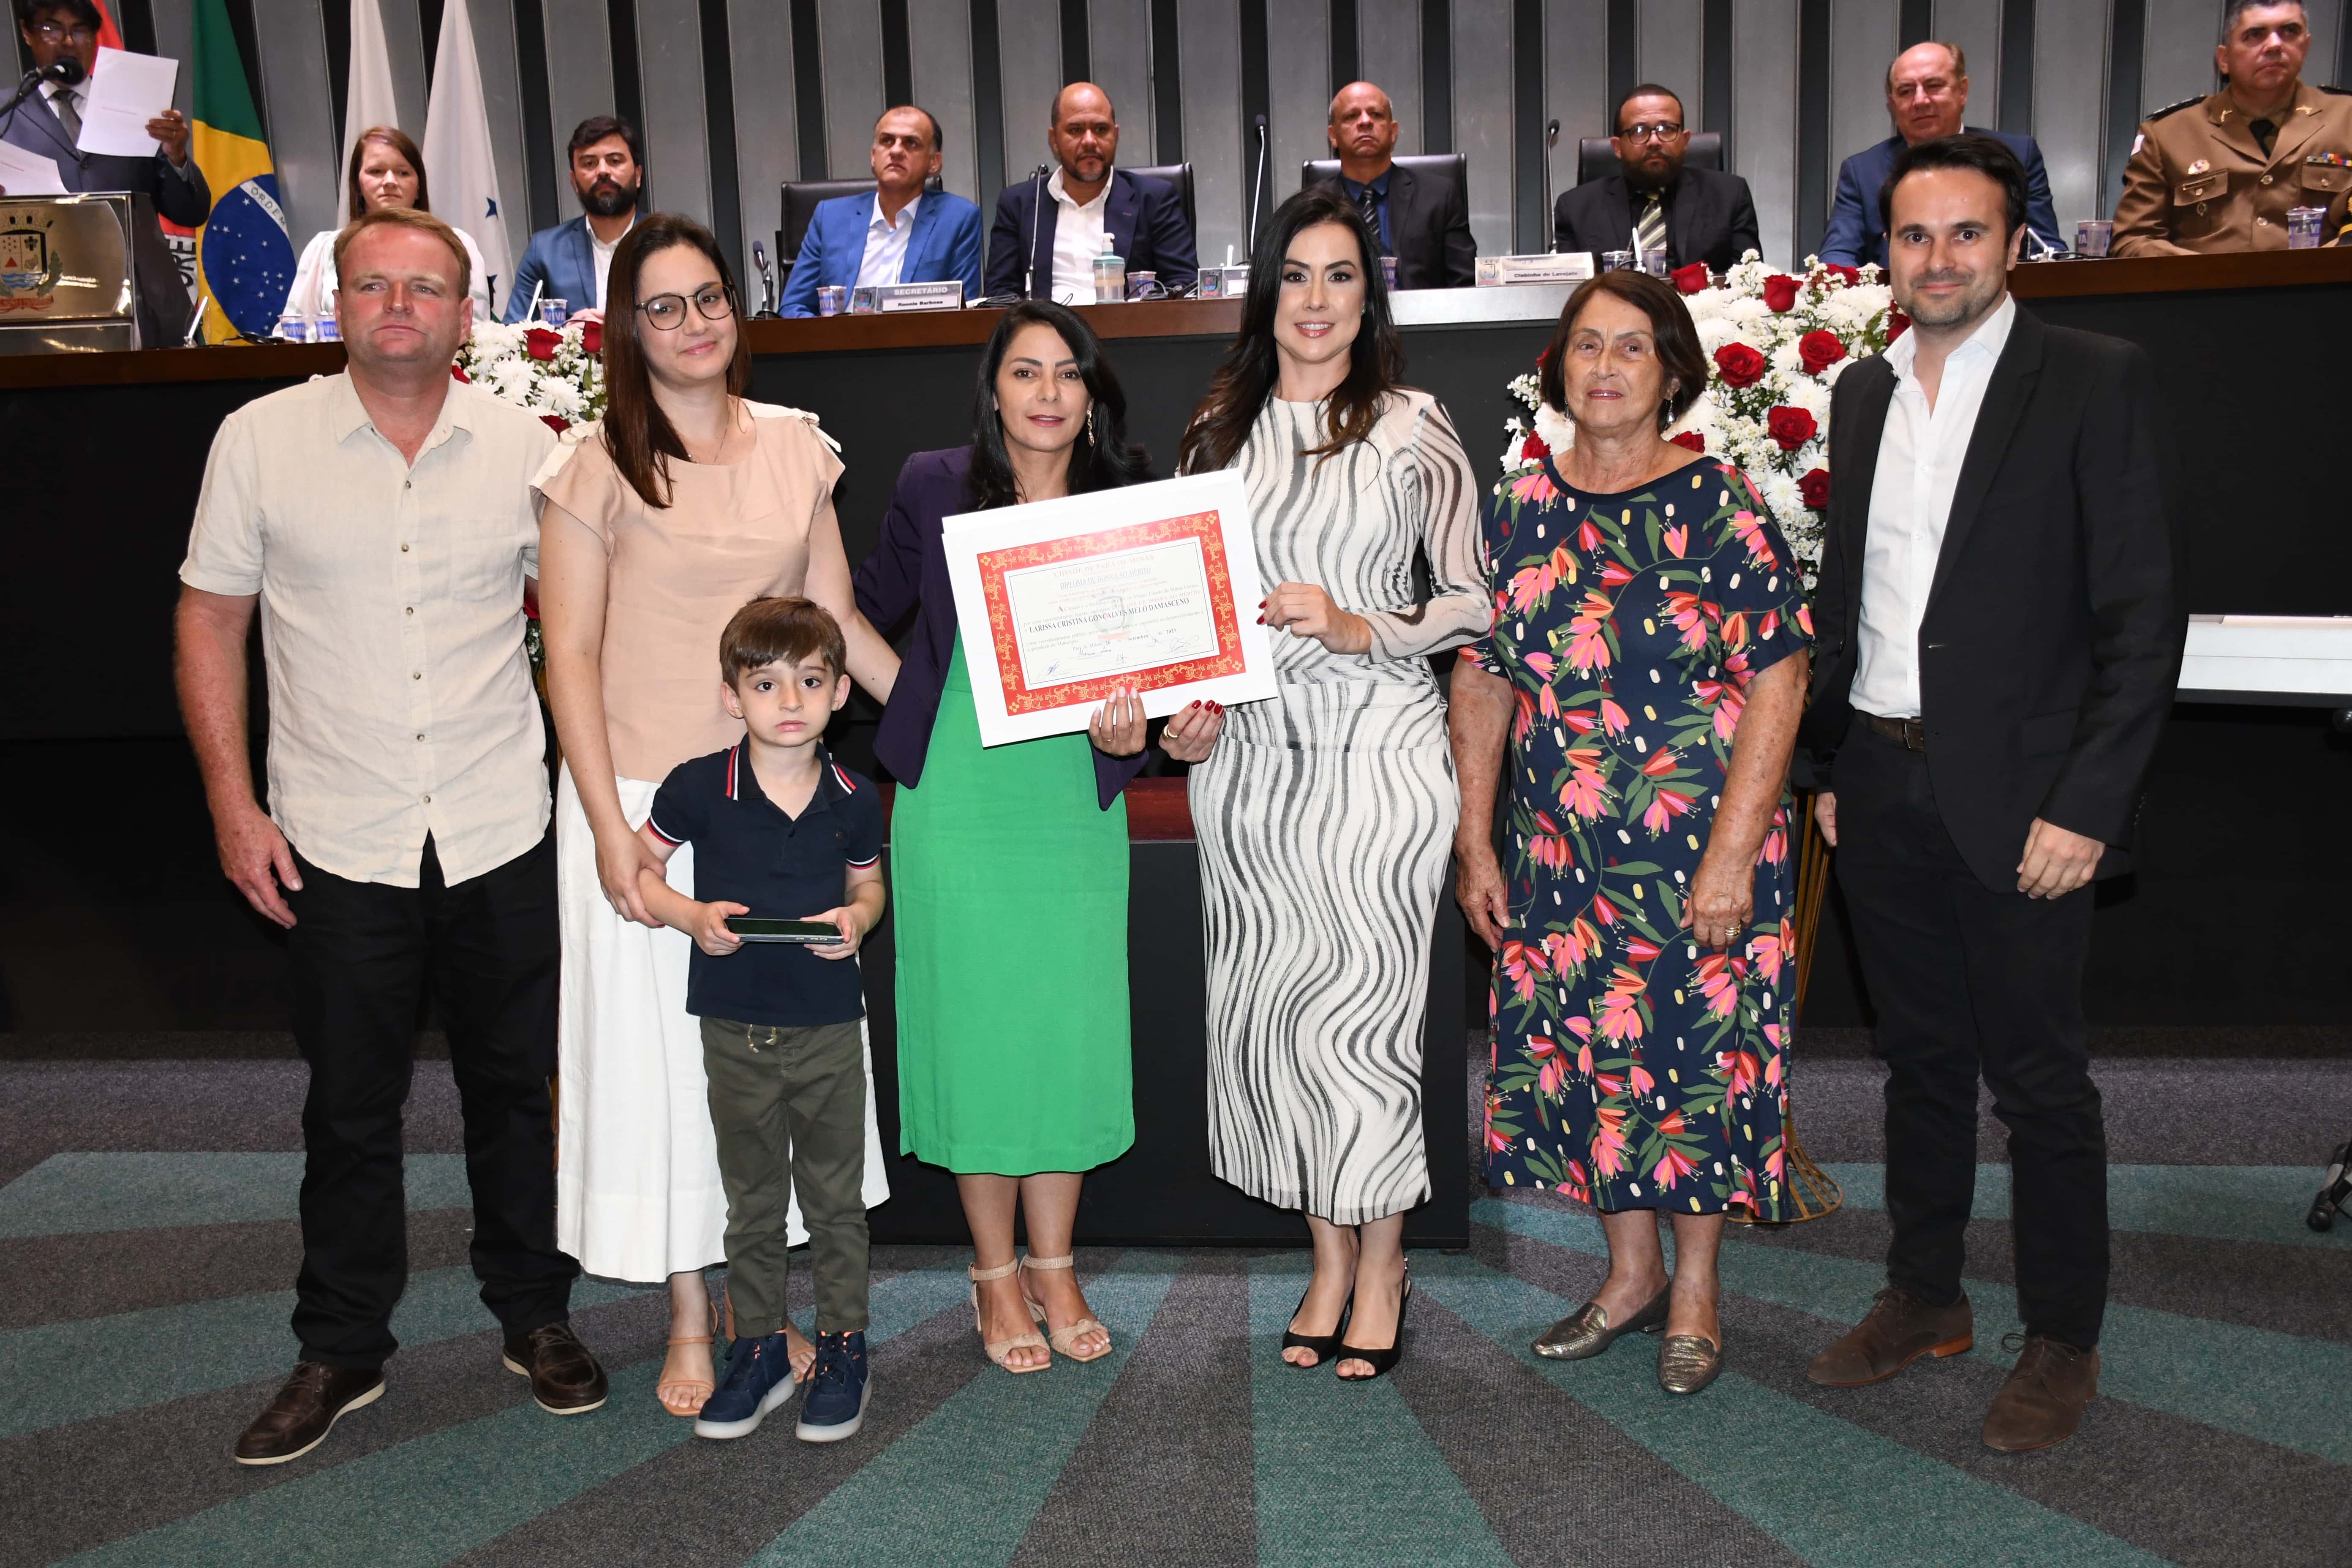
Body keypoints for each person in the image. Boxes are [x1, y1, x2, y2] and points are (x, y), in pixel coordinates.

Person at [177, 207, 606, 1466]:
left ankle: (535, 1314)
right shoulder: (259, 440)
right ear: (340, 303)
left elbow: (584, 630)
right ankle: (342, 1344)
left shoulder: (528, 448)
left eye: (426, 288)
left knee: (514, 1095)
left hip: (497, 823)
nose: (399, 306)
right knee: (350, 1108)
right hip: (336, 831)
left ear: (466, 315)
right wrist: (231, 804)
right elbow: (210, 621)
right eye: (375, 285)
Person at [1798, 135, 2182, 1452]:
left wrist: (2089, 806)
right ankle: (1926, 1297)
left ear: (2013, 244)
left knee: (2037, 1083)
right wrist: (1832, 768)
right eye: (1914, 235)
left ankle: (2062, 1337)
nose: (1939, 258)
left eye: (1967, 233)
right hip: (1878, 780)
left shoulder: (2092, 377)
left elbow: (2141, 616)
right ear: (1885, 253)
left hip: (2028, 803)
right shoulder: (1861, 392)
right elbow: (1850, 591)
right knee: (1917, 1065)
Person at [534, 212, 896, 1417]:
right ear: (627, 331)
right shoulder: (594, 464)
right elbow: (569, 656)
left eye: (709, 299)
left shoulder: (798, 446)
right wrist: (606, 828)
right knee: (661, 1069)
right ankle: (695, 1317)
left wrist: (955, 721)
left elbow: (840, 630)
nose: (693, 324)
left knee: (772, 1060)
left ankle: (765, 1310)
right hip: (647, 801)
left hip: (778, 804)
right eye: (664, 306)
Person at [1450, 271, 1811, 1397]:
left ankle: (1695, 1290)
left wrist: (1732, 856)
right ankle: (1629, 1273)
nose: (1604, 367)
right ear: (1558, 367)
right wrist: (1476, 841)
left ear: (1672, 374)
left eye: (1632, 347)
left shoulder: (1720, 501)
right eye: (1587, 345)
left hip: (1699, 841)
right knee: (1594, 1062)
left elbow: (1780, 676)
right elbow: (1482, 675)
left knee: (1694, 1063)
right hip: (1560, 854)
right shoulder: (1515, 506)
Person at [852, 300, 1222, 1374]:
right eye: (1025, 371)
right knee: (976, 1028)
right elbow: (859, 608)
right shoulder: (933, 483)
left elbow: (1164, 671)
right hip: (959, 791)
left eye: (1068, 371)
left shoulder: (1128, 504)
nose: (1048, 392)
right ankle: (992, 1272)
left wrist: (1161, 727)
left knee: (1064, 1024)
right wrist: (915, 702)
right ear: (995, 391)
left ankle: (1054, 1266)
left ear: (1091, 394)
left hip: (1069, 789)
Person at [1179, 185, 1486, 1382]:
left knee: (1362, 1029)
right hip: (1250, 775)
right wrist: (1187, 716)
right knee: (1276, 1028)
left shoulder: (1413, 425)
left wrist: (1362, 624)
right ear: (1268, 292)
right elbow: (1191, 616)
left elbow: (1474, 600)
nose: (1316, 299)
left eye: (1341, 275)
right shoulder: (1218, 430)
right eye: (1297, 274)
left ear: (1370, 298)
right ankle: (1325, 1258)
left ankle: (1385, 1261)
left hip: (1378, 761)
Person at [633, 597, 885, 1444]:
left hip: (828, 1029)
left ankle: (844, 1346)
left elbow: (868, 884)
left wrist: (859, 919)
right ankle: (759, 1348)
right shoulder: (697, 785)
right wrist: (687, 915)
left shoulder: (854, 797)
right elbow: (638, 867)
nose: (789, 700)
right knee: (752, 1201)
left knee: (835, 1200)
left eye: (810, 681)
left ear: (840, 692)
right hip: (733, 1029)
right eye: (766, 683)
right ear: (732, 696)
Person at [3, 0, 207, 342]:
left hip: (141, 308)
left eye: (80, 31)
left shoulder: (135, 107)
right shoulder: (6, 115)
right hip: (40, 305)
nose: (68, 42)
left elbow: (191, 212)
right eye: (52, 29)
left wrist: (176, 155)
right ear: (27, 33)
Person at [2112, 1, 2352, 256]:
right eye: (2255, 34)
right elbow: (2133, 241)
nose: (2275, 45)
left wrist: (2314, 266)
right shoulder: (2167, 135)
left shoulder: (2347, 119)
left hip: (2327, 281)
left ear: (2305, 46)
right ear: (2224, 59)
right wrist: (2214, 273)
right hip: (2204, 282)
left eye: (2290, 31)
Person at [1820, 44, 2059, 268]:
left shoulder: (2018, 154)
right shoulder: (1863, 171)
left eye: (1933, 86)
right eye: (1906, 91)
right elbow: (1838, 256)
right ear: (1892, 104)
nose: (1920, 100)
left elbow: (2046, 249)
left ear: (1962, 91)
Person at [983, 82, 1197, 300]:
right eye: (1075, 130)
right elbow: (999, 294)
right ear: (1054, 140)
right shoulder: (1019, 205)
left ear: (1115, 135)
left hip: (1127, 322)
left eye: (1101, 129)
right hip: (1046, 322)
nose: (1089, 141)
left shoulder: (1154, 199)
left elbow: (1184, 285)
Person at [780, 106, 983, 315]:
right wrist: (831, 335)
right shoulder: (830, 217)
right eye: (887, 141)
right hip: (839, 335)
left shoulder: (958, 219)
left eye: (911, 143)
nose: (896, 151)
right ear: (873, 156)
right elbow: (793, 306)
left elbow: (963, 315)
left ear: (934, 162)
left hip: (918, 336)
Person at [283, 126, 492, 321]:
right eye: (377, 171)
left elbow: (474, 327)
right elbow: (294, 331)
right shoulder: (324, 248)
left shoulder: (457, 244)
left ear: (419, 187)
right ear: (357, 185)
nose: (390, 181)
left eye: (403, 173)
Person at [1554, 84, 1760, 275]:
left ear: (1685, 140)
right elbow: (1569, 293)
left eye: (1666, 129)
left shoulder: (1729, 196)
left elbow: (1749, 284)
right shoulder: (1575, 209)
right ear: (1617, 147)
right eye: (1638, 131)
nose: (1654, 141)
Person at [1304, 80, 1475, 289]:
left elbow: (1465, 285)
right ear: (1333, 136)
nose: (1365, 122)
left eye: (1376, 115)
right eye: (1352, 116)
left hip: (1422, 310)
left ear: (1393, 132)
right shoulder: (1312, 205)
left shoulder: (1439, 197)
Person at [504, 115, 643, 323]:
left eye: (615, 161)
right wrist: (566, 336)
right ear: (575, 182)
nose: (603, 171)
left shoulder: (669, 245)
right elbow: (513, 332)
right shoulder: (545, 250)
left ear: (638, 175)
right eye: (589, 163)